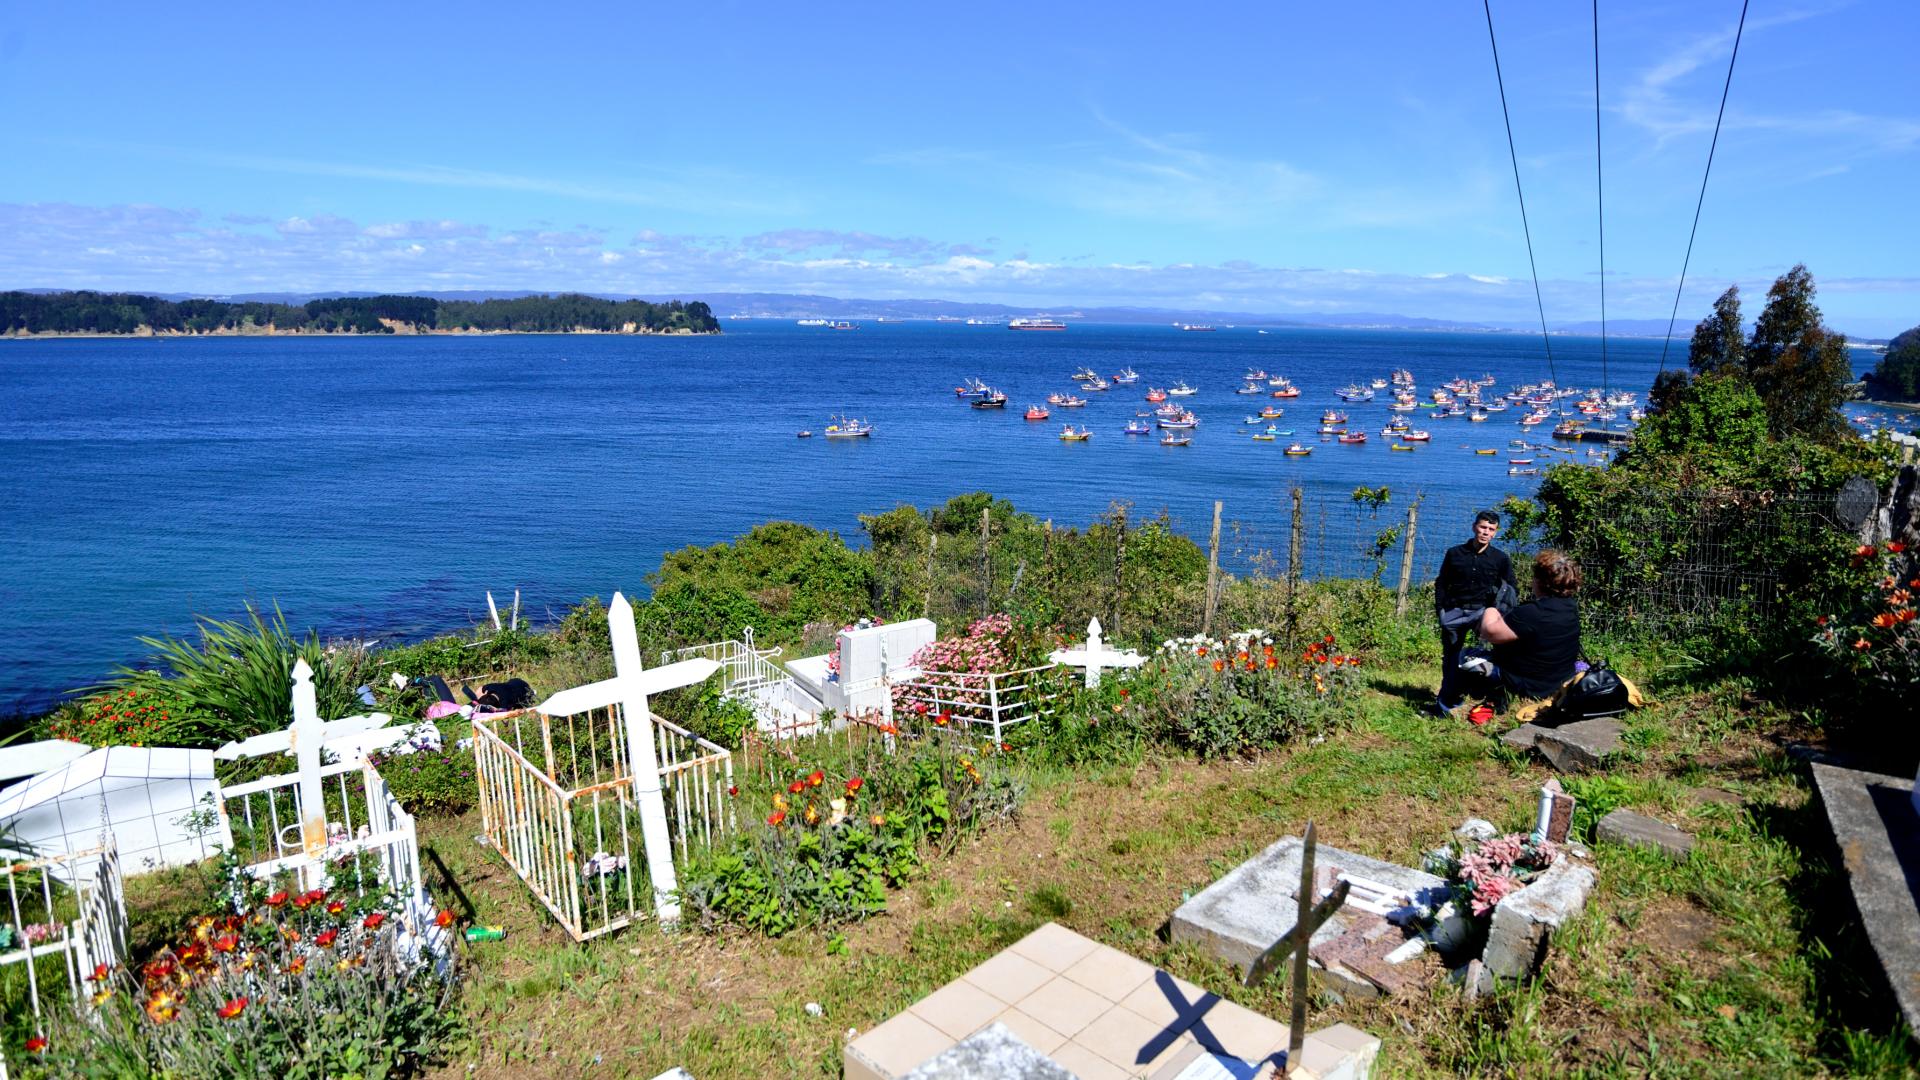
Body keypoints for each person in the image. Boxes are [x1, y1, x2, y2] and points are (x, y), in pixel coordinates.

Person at [1438, 550, 1583, 710]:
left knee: (1464, 657)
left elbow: (1489, 633)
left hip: (1530, 685)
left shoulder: (1532, 612)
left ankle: (1446, 707)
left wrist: (1491, 609)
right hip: (1558, 679)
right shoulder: (1571, 607)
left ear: (1541, 581)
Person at [1432, 510, 1516, 715]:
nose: (1486, 532)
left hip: (1482, 613)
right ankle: (1447, 699)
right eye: (1483, 527)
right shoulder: (1454, 553)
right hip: (1454, 611)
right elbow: (1442, 582)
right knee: (1451, 656)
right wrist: (1440, 609)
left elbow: (1511, 587)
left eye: (1491, 529)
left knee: (1497, 654)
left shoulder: (1500, 559)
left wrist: (1499, 614)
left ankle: (1493, 697)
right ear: (1474, 527)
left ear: (1495, 533)